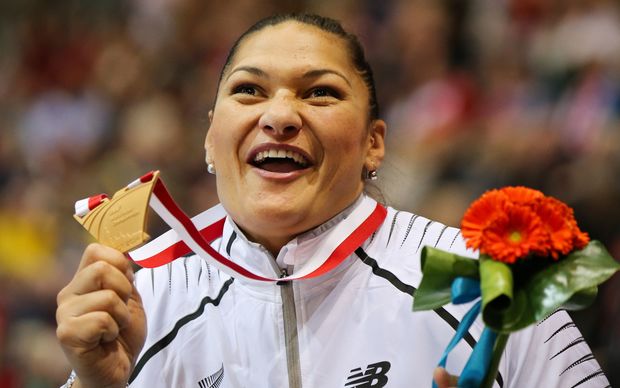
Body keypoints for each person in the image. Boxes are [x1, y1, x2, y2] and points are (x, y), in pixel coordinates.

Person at [55, 13, 609, 388]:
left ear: (374, 143)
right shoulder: (137, 306)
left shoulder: (481, 283)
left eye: (320, 91)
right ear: (209, 138)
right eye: (249, 90)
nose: (279, 116)